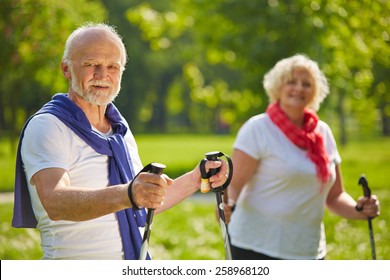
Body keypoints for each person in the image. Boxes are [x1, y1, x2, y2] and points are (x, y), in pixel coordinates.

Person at [12, 23, 229, 260]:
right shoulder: (49, 125)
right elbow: (55, 202)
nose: (102, 75)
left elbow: (142, 202)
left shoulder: (119, 130)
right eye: (90, 64)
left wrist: (198, 177)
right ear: (66, 69)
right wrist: (128, 194)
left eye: (112, 67)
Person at [224, 54, 380, 260]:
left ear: (314, 92)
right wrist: (228, 205)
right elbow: (233, 185)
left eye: (306, 84)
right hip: (256, 246)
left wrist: (359, 209)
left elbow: (334, 196)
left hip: (308, 250)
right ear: (278, 87)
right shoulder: (258, 129)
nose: (299, 88)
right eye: (291, 82)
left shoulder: (323, 133)